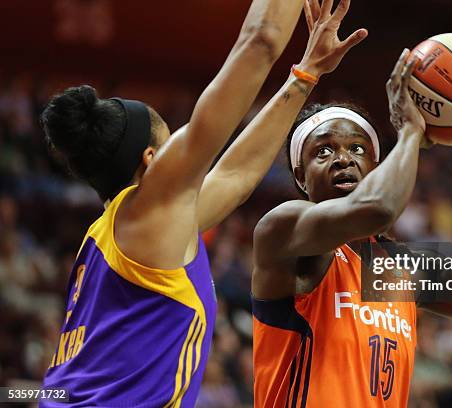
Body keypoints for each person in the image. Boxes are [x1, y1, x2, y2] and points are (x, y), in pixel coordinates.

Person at [39, 0, 365, 405]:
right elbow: (259, 41)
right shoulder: (148, 211)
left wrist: (306, 73)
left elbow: (236, 175)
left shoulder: (132, 233)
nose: (186, 144)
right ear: (153, 161)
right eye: (171, 137)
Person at [251, 45, 452, 405]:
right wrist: (411, 131)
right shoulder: (284, 230)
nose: (343, 159)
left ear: (378, 168)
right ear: (300, 176)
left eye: (358, 149)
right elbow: (378, 208)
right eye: (323, 151)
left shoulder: (403, 268)